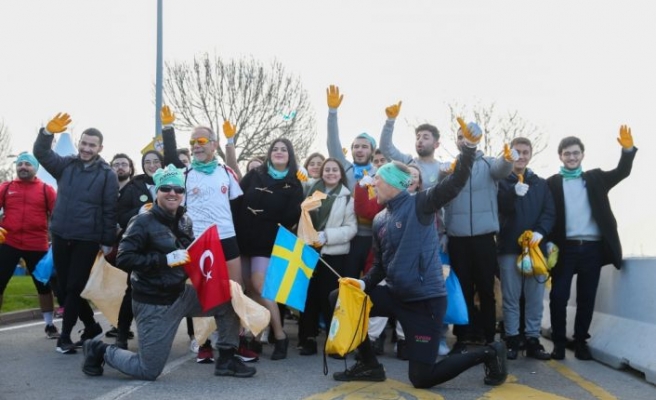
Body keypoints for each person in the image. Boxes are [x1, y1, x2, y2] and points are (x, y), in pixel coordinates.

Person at [333, 121, 508, 388]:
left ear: (392, 183)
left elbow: (455, 182)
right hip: (394, 294)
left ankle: (489, 353)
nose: (373, 186)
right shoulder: (380, 219)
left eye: (377, 181)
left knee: (422, 378)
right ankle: (368, 365)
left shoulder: (421, 203)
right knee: (341, 297)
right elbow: (380, 265)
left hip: (424, 302)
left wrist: (469, 149)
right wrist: (362, 283)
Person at [81, 165, 256, 380]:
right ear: (157, 192)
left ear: (183, 194)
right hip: (153, 303)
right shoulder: (141, 222)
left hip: (180, 294)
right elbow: (123, 258)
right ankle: (100, 350)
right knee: (148, 370)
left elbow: (190, 253)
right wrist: (164, 260)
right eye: (166, 188)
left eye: (178, 189)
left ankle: (227, 359)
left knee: (229, 298)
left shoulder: (185, 220)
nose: (173, 193)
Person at [160, 107, 248, 363]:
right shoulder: (184, 174)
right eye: (192, 142)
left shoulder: (226, 172)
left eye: (201, 141)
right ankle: (203, 342)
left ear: (213, 144)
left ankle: (233, 341)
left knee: (235, 290)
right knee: (199, 291)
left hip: (226, 237)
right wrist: (168, 130)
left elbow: (237, 185)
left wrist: (231, 144)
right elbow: (170, 162)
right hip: (196, 240)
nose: (196, 146)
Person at [546, 127, 637, 361]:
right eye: (567, 154)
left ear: (582, 155)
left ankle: (580, 342)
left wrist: (627, 150)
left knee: (586, 298)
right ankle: (558, 343)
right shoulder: (552, 184)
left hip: (592, 248)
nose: (572, 157)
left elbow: (622, 172)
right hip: (564, 248)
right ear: (560, 157)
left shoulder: (595, 178)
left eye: (576, 153)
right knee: (558, 296)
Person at [33, 113, 118, 354]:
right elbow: (42, 154)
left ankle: (66, 336)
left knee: (74, 286)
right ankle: (91, 326)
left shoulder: (107, 174)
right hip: (61, 233)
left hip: (87, 237)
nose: (86, 148)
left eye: (92, 145)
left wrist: (107, 241)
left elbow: (110, 209)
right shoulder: (66, 164)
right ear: (79, 143)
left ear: (100, 148)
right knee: (62, 285)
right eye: (84, 143)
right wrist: (47, 134)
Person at [441, 126, 515, 353]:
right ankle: (462, 337)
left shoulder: (488, 163)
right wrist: (444, 175)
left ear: (478, 139)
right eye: (461, 137)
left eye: (469, 137)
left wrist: (508, 158)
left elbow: (502, 169)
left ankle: (489, 337)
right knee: (462, 289)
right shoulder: (451, 167)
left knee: (486, 289)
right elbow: (438, 190)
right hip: (458, 237)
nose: (465, 141)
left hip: (484, 238)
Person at [233, 138, 304, 360]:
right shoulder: (254, 175)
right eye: (275, 149)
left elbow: (293, 216)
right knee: (247, 289)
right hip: (243, 238)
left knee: (260, 285)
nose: (279, 152)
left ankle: (280, 336)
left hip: (267, 241)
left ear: (290, 155)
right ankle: (255, 337)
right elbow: (236, 200)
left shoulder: (294, 183)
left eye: (284, 149)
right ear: (269, 153)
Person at [497, 137, 555, 360]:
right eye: (517, 152)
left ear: (530, 155)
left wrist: (540, 232)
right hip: (509, 247)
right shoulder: (501, 182)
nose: (521, 156)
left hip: (534, 250)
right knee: (511, 297)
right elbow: (499, 209)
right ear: (510, 155)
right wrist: (511, 193)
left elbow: (549, 212)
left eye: (525, 152)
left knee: (534, 297)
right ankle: (512, 338)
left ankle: (532, 339)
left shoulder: (540, 184)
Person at [297, 158, 357, 355]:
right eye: (327, 169)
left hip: (333, 255)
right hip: (308, 251)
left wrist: (327, 237)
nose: (331, 173)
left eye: (335, 170)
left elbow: (351, 229)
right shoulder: (311, 192)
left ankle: (335, 341)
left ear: (341, 174)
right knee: (308, 298)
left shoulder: (347, 198)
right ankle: (307, 338)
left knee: (330, 299)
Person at [110, 150, 165, 349]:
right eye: (147, 162)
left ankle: (162, 335)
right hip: (141, 246)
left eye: (156, 161)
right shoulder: (133, 186)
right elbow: (120, 215)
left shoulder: (171, 182)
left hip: (165, 246)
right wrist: (139, 211)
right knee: (132, 289)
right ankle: (122, 332)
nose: (152, 165)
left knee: (167, 290)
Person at [0, 152, 59, 338]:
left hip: (37, 244)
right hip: (8, 242)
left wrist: (57, 240)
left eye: (28, 164)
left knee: (43, 285)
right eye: (20, 164)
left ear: (35, 168)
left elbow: (57, 216)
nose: (23, 167)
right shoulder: (6, 187)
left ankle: (49, 325)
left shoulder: (46, 189)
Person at [326, 84, 379, 279]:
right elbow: (333, 142)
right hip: (350, 236)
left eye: (364, 146)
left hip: (374, 238)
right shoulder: (345, 169)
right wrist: (333, 112)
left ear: (372, 151)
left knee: (370, 282)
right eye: (356, 146)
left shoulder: (380, 174)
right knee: (346, 280)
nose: (359, 150)